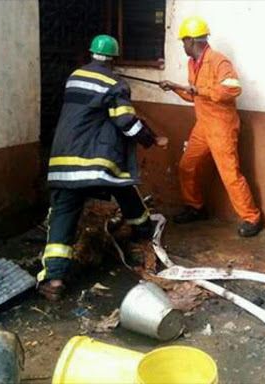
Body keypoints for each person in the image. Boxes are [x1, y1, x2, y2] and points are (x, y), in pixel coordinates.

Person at [37, 35, 168, 300]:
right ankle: (142, 230)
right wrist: (151, 139)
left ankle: (53, 280)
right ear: (115, 58)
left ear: (91, 54)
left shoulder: (74, 76)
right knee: (121, 182)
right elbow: (125, 122)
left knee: (62, 214)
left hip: (62, 159)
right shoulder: (115, 83)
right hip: (93, 161)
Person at [159, 16, 263, 237]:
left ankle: (251, 217)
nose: (183, 46)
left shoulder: (218, 61)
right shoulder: (192, 63)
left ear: (191, 40)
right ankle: (195, 207)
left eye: (183, 41)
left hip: (222, 127)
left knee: (230, 174)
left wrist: (200, 91)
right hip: (203, 126)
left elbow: (232, 90)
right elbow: (193, 96)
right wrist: (176, 88)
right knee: (187, 166)